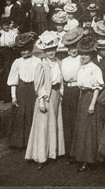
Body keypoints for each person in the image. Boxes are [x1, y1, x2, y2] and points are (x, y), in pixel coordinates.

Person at [25, 31, 65, 169]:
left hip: (56, 95)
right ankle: (41, 157)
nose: (51, 52)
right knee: (43, 126)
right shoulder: (42, 65)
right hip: (45, 97)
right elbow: (39, 84)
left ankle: (52, 152)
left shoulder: (59, 62)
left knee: (54, 124)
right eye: (48, 50)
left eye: (53, 49)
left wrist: (61, 93)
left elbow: (61, 81)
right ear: (45, 51)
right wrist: (41, 100)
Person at [71, 36, 105, 172]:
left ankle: (90, 159)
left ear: (91, 55)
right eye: (82, 54)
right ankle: (82, 157)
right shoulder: (82, 67)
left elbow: (97, 87)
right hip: (83, 98)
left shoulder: (94, 68)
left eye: (86, 55)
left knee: (90, 130)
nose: (83, 57)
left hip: (91, 98)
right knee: (82, 129)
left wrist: (92, 104)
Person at [7, 32, 41, 148]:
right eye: (21, 50)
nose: (23, 52)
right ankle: (19, 142)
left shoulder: (37, 61)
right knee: (20, 115)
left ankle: (30, 142)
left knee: (32, 114)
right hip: (21, 91)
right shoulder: (17, 62)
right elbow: (13, 80)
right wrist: (13, 96)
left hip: (33, 90)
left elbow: (40, 79)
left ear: (30, 49)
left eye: (26, 50)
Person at [59, 28, 83, 163]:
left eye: (75, 47)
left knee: (76, 122)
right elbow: (62, 79)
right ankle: (69, 151)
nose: (73, 50)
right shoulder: (64, 61)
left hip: (78, 91)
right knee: (67, 122)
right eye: (70, 48)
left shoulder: (81, 59)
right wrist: (62, 93)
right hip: (67, 92)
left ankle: (77, 152)